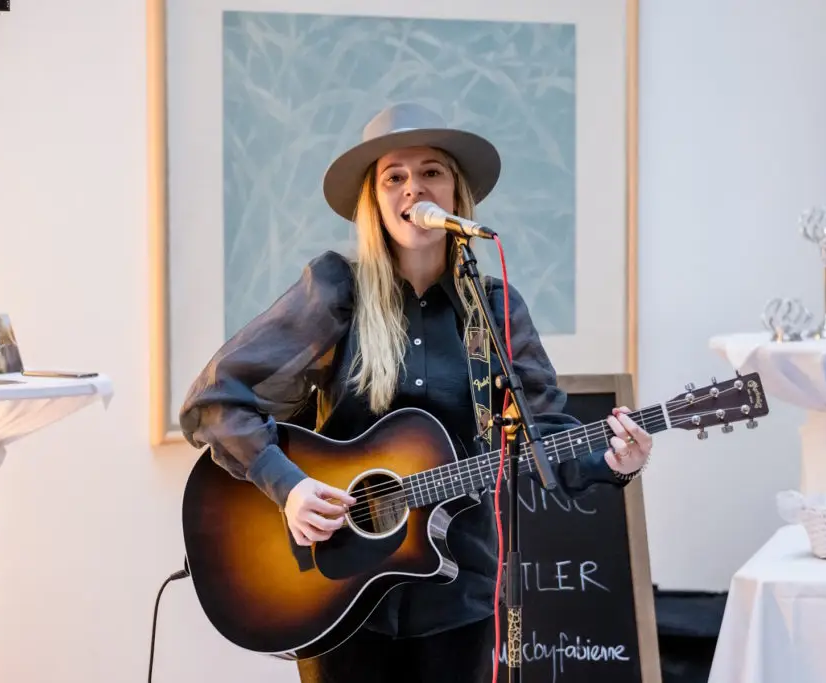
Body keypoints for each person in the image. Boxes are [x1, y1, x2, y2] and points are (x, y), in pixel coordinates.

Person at [178, 102, 652, 683]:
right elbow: (215, 399)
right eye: (394, 177)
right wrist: (291, 487)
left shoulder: (496, 308)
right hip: (336, 593)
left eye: (431, 172)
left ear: (456, 196)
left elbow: (544, 431)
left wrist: (612, 459)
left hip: (459, 593)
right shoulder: (335, 292)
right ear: (374, 201)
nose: (413, 189)